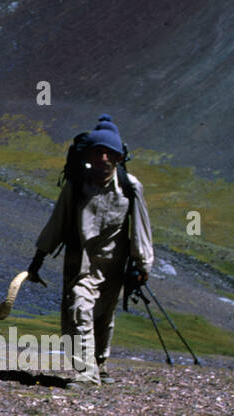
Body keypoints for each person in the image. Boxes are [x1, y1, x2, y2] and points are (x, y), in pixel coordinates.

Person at [27, 115, 153, 387]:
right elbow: (56, 224)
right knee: (79, 309)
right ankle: (86, 374)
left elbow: (141, 229)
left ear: (120, 157)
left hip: (114, 266)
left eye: (110, 153)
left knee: (104, 316)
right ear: (89, 156)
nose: (104, 159)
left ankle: (101, 364)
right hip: (81, 263)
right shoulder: (75, 187)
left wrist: (142, 267)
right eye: (98, 153)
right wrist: (36, 261)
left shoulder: (130, 188)